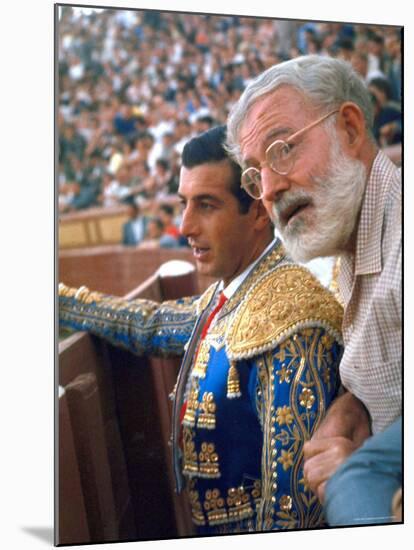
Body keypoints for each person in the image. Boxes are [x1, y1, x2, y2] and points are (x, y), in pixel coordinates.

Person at [59, 125, 343, 535]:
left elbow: (293, 511)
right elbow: (152, 325)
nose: (186, 225)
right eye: (184, 203)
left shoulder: (291, 320)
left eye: (206, 205)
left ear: (260, 210)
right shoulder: (238, 290)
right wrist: (59, 300)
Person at [226, 54, 401, 526]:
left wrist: (368, 482)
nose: (268, 188)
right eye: (254, 171)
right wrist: (353, 403)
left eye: (283, 148)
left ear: (348, 127)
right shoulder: (349, 240)